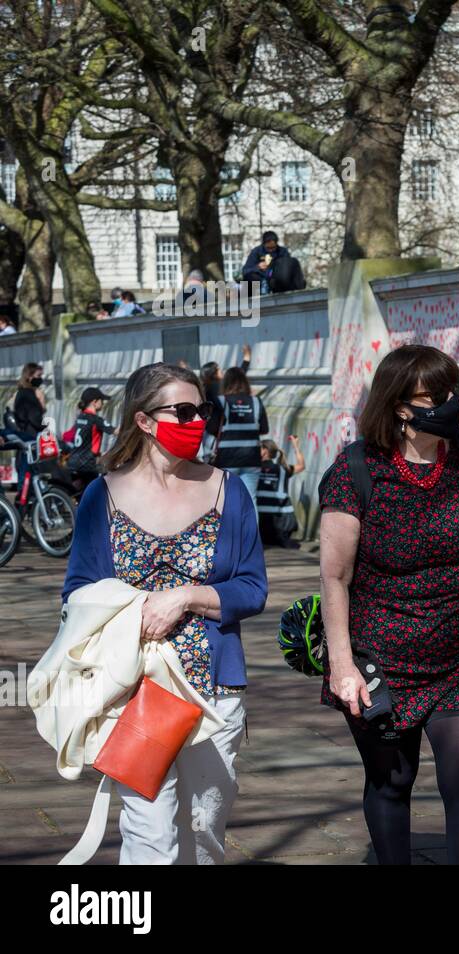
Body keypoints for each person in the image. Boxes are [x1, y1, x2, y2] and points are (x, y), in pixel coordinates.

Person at [318, 344, 459, 864]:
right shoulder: (356, 470)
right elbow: (335, 576)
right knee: (392, 781)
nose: (448, 403)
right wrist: (342, 664)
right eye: (433, 396)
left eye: (453, 392)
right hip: (382, 656)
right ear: (399, 406)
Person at [61, 362, 268, 863]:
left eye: (202, 409)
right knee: (148, 837)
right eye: (183, 410)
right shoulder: (101, 496)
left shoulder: (228, 490)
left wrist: (187, 596)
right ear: (144, 421)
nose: (196, 419)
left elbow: (252, 587)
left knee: (203, 833)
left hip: (213, 691)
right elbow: (77, 593)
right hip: (135, 691)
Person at [211, 366, 268, 500]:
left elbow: (212, 428)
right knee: (250, 499)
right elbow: (265, 429)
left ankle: (232, 522)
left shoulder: (221, 401)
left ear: (226, 383)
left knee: (227, 499)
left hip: (227, 458)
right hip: (251, 458)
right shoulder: (256, 401)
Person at [201, 345, 252, 462]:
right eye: (219, 369)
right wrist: (246, 359)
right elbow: (238, 378)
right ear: (214, 373)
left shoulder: (204, 388)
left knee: (209, 464)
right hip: (219, 436)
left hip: (208, 434)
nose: (222, 371)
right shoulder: (218, 387)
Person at [4, 362, 47, 492]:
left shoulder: (21, 393)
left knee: (26, 477)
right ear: (29, 376)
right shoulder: (29, 394)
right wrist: (41, 403)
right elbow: (35, 419)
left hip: (24, 440)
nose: (41, 378)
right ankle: (23, 508)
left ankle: (25, 506)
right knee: (29, 476)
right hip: (30, 440)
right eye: (38, 375)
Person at [255, 435, 304, 549]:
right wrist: (296, 446)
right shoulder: (283, 469)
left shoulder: (252, 469)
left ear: (265, 451)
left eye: (259, 448)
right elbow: (301, 466)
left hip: (259, 525)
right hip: (280, 525)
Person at [65, 386, 115, 489]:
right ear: (94, 402)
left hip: (73, 462)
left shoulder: (80, 417)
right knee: (98, 490)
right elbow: (117, 432)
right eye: (101, 401)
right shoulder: (96, 420)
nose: (103, 403)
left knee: (77, 493)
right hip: (88, 464)